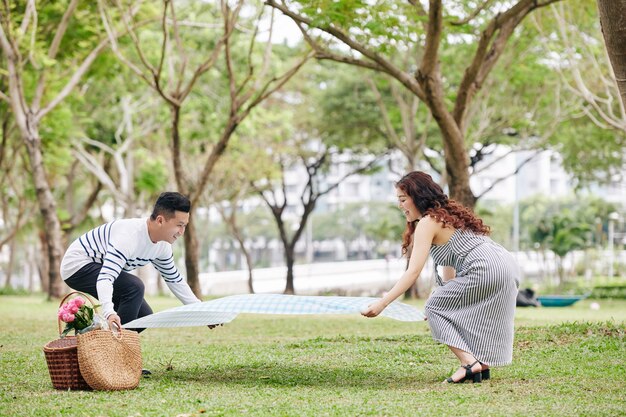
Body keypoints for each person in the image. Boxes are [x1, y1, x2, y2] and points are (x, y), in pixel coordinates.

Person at [361, 171, 519, 383]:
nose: (400, 205)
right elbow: (450, 269)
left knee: (434, 306)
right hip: (504, 264)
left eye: (402, 199)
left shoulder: (428, 222)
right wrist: (443, 296)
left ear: (417, 197)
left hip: (485, 266)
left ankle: (469, 364)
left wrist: (383, 303)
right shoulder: (446, 216)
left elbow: (413, 272)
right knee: (456, 308)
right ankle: (481, 362)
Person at [60, 192, 201, 332]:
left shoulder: (163, 247)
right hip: (77, 265)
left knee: (143, 317)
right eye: (179, 225)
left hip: (99, 268)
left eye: (185, 226)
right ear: (160, 220)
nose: (182, 232)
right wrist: (109, 312)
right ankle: (116, 348)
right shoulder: (129, 236)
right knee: (134, 286)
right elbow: (106, 277)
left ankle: (97, 337)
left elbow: (174, 280)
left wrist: (202, 312)